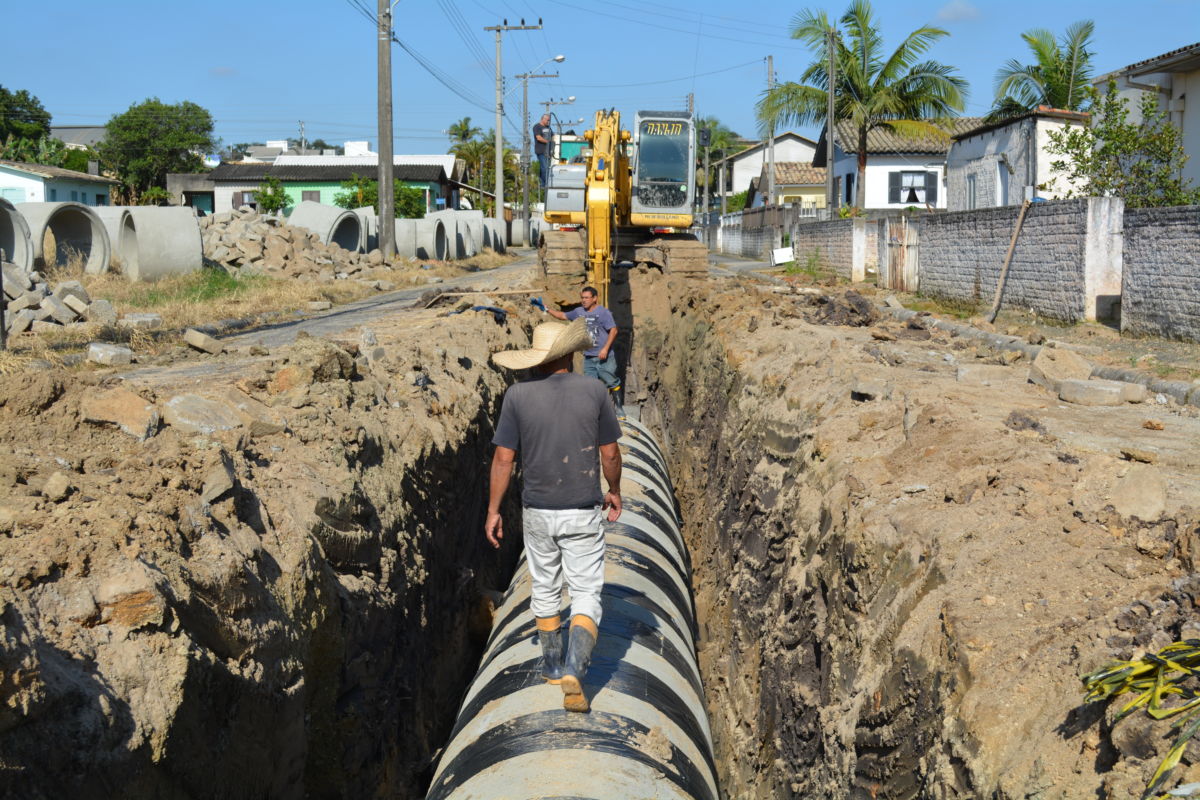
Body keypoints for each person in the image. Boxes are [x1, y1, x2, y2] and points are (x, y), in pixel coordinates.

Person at [486, 318, 623, 713]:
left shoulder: (517, 397)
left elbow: (502, 459)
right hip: (581, 509)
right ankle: (576, 671)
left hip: (537, 512)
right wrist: (613, 491)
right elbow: (610, 453)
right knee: (585, 592)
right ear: (570, 353)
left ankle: (550, 664)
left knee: (545, 587)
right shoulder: (595, 391)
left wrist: (494, 510)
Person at [544, 286, 625, 419]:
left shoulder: (603, 312)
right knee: (590, 386)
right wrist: (547, 309)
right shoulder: (579, 311)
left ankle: (619, 409)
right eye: (582, 298)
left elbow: (614, 330)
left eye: (587, 298)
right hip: (589, 357)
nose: (584, 300)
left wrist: (605, 348)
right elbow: (563, 315)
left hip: (605, 357)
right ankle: (594, 413)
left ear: (595, 298)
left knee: (610, 381)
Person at [533, 113, 553, 191]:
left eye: (549, 120)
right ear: (543, 119)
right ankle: (544, 183)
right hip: (541, 150)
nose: (548, 122)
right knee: (544, 167)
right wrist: (548, 142)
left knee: (546, 167)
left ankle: (544, 183)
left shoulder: (549, 128)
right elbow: (538, 138)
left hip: (549, 151)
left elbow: (553, 136)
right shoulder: (537, 127)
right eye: (547, 120)